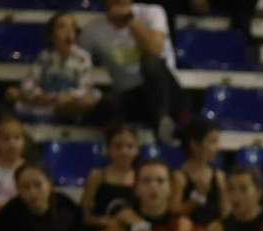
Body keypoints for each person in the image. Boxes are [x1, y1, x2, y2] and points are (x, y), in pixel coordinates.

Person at [79, 0, 184, 142]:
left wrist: (130, 19)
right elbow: (77, 59)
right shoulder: (93, 29)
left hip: (167, 93)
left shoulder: (153, 12)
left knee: (150, 61)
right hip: (134, 96)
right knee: (106, 104)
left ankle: (161, 122)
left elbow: (154, 49)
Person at [8, 11, 99, 123]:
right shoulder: (45, 56)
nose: (68, 32)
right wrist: (39, 95)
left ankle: (57, 111)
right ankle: (49, 110)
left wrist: (69, 97)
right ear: (51, 35)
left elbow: (85, 87)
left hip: (69, 102)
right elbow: (28, 82)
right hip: (46, 99)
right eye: (62, 27)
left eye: (72, 27)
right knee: (12, 92)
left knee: (89, 101)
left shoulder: (83, 58)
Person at [170, 120, 228, 231]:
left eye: (217, 142)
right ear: (195, 145)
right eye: (212, 141)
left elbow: (225, 210)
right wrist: (197, 197)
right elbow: (174, 211)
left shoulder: (218, 176)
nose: (217, 147)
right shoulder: (180, 177)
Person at [81, 125, 140, 231]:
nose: (124, 152)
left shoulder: (141, 177)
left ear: (137, 150)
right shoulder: (98, 176)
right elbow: (85, 216)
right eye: (118, 146)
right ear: (109, 149)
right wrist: (104, 221)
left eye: (130, 146)